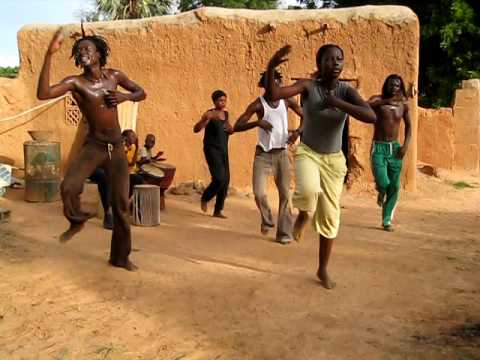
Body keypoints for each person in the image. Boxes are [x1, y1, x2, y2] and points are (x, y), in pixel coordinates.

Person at [265, 44, 377, 288]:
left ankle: (322, 269)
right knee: (307, 192)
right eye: (328, 59)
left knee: (330, 216)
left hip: (334, 160)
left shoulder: (347, 91)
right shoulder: (308, 86)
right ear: (319, 64)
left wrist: (338, 102)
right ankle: (304, 213)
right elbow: (274, 95)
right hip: (308, 152)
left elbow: (371, 116)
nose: (335, 63)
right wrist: (271, 65)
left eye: (339, 59)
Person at [37, 25, 146, 271]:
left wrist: (124, 97)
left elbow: (141, 92)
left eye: (87, 48)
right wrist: (49, 55)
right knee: (68, 186)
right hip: (94, 147)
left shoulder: (115, 76)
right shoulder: (75, 83)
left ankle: (120, 257)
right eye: (79, 50)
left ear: (99, 54)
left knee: (120, 206)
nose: (83, 52)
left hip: (116, 148)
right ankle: (76, 221)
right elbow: (43, 93)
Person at [234, 70, 303, 244]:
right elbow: (237, 125)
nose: (277, 85)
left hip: (282, 153)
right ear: (265, 85)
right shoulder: (258, 105)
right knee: (258, 193)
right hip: (263, 154)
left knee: (285, 195)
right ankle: (266, 218)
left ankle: (284, 234)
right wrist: (258, 122)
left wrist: (297, 132)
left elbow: (305, 117)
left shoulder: (287, 100)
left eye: (278, 82)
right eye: (273, 82)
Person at [368, 75, 411, 232]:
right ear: (386, 85)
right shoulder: (377, 100)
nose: (394, 87)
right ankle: (381, 190)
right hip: (378, 147)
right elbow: (365, 106)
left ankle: (386, 220)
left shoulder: (403, 105)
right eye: (391, 84)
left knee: (395, 186)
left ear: (401, 87)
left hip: (395, 149)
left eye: (397, 85)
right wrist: (384, 102)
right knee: (384, 182)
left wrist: (405, 146)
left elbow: (409, 127)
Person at [193, 90, 234, 218]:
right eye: (220, 100)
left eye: (224, 100)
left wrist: (231, 130)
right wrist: (204, 120)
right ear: (215, 101)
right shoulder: (209, 114)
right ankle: (205, 197)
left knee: (226, 180)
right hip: (212, 150)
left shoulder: (226, 114)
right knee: (219, 178)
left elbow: (228, 129)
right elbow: (196, 129)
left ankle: (218, 210)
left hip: (223, 150)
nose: (223, 103)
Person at [122, 129, 144, 198]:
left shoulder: (132, 147)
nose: (135, 137)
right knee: (138, 179)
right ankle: (128, 198)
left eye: (134, 135)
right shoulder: (122, 148)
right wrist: (137, 147)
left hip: (132, 172)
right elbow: (131, 164)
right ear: (125, 137)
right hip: (123, 173)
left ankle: (132, 199)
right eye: (132, 136)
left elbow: (137, 161)